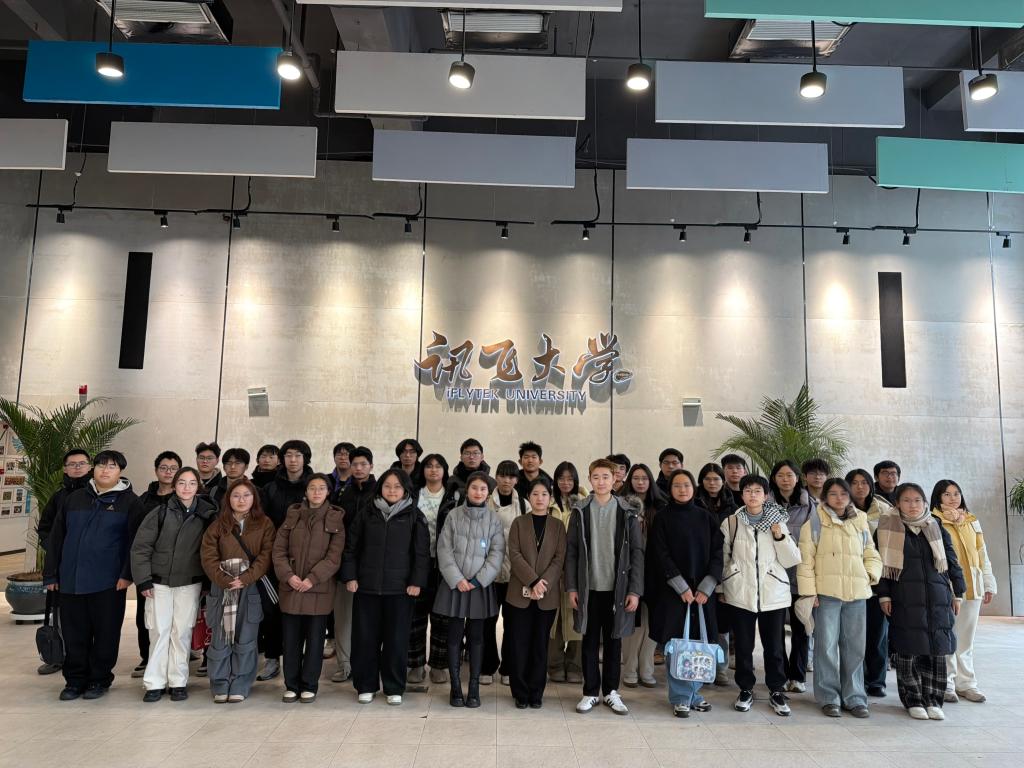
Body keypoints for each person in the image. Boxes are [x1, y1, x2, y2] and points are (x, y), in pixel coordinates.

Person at [43, 450, 144, 701]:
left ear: (120, 471)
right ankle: (74, 680)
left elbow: (135, 543)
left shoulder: (131, 503)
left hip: (109, 582)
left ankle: (99, 679)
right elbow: (56, 538)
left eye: (112, 466)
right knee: (74, 633)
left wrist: (127, 575)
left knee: (106, 633)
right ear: (93, 469)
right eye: (101, 465)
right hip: (70, 581)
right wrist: (51, 575)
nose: (105, 470)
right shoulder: (74, 499)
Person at [876, 483, 965, 721]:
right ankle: (913, 699)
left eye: (917, 500)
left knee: (936, 650)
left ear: (925, 502)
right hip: (904, 597)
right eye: (906, 500)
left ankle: (934, 700)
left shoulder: (935, 526)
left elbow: (952, 561)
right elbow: (881, 566)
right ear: (897, 504)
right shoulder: (887, 527)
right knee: (908, 650)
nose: (912, 505)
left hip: (938, 597)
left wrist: (958, 592)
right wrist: (884, 595)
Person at [343, 468, 429, 705]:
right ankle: (366, 685)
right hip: (366, 588)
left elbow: (421, 553)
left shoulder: (415, 516)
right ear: (380, 487)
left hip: (400, 590)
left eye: (397, 486)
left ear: (405, 489)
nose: (392, 490)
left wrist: (416, 581)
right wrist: (350, 576)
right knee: (365, 639)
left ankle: (394, 687)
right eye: (387, 486)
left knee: (396, 640)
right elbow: (351, 548)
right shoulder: (366, 513)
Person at [797, 478, 882, 718]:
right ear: (824, 497)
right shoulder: (814, 522)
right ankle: (828, 697)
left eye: (843, 493)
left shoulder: (860, 519)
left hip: (857, 594)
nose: (839, 498)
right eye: (833, 494)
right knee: (826, 647)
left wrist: (869, 575)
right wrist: (809, 592)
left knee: (855, 647)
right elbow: (806, 561)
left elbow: (871, 552)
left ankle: (855, 697)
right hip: (827, 595)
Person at [131, 467, 217, 702]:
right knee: (159, 631)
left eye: (192, 483)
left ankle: (178, 681)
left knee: (182, 632)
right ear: (174, 485)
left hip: (190, 583)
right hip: (159, 583)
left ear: (198, 486)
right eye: (182, 483)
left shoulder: (207, 514)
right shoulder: (159, 512)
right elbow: (141, 548)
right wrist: (143, 580)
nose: (186, 488)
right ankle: (154, 683)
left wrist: (208, 581)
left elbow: (211, 550)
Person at [566, 458, 644, 716]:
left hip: (617, 588)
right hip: (588, 588)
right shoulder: (580, 510)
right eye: (596, 477)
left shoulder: (627, 511)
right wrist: (572, 587)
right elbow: (572, 551)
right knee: (589, 641)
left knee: (614, 641)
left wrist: (634, 590)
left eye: (606, 477)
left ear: (615, 479)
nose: (601, 482)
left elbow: (636, 552)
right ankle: (590, 692)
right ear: (590, 479)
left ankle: (611, 691)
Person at [721, 474, 801, 717]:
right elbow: (724, 557)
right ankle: (745, 689)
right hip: (740, 592)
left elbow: (791, 559)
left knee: (774, 646)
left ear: (766, 496)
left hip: (772, 593)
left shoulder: (778, 521)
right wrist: (723, 587)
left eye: (757, 491)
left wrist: (779, 536)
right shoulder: (731, 522)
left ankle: (776, 689)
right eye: (748, 490)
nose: (752, 495)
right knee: (744, 646)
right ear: (742, 494)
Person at [648, 469, 723, 717]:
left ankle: (694, 693)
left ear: (694, 487)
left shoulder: (706, 517)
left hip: (703, 594)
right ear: (670, 490)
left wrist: (706, 586)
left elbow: (718, 552)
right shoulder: (663, 518)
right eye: (677, 485)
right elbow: (660, 554)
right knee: (677, 645)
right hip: (674, 592)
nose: (682, 490)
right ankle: (681, 696)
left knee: (699, 644)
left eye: (687, 485)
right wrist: (681, 586)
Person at [434, 471, 505, 708]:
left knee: (477, 637)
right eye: (474, 488)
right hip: (455, 585)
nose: (478, 492)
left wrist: (478, 580)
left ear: (488, 493)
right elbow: (443, 549)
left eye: (483, 489)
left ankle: (474, 687)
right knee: (453, 637)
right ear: (467, 490)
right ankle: (455, 687)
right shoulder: (453, 515)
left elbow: (497, 554)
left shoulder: (493, 519)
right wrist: (457, 579)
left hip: (479, 587)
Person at [200, 478, 275, 702]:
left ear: (254, 499)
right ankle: (220, 682)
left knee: (246, 636)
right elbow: (208, 556)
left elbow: (266, 555)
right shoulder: (218, 525)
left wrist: (245, 578)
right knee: (220, 636)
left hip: (250, 586)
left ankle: (241, 682)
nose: (241, 500)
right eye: (236, 495)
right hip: (221, 587)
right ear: (228, 499)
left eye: (246, 495)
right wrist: (224, 579)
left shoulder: (264, 524)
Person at [273, 473, 345, 703]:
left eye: (321, 488)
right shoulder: (293, 514)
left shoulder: (335, 518)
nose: (316, 492)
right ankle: (291, 685)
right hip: (292, 587)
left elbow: (334, 557)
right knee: (291, 640)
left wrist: (312, 579)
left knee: (315, 642)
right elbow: (278, 551)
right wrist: (289, 576)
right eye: (312, 487)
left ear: (328, 492)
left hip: (318, 588)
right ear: (305, 491)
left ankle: (309, 685)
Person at [931, 480, 996, 704]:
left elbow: (982, 554)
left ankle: (966, 684)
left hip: (973, 587)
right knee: (947, 636)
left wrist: (988, 583)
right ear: (938, 497)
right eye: (947, 494)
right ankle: (946, 683)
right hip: (947, 588)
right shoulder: (934, 521)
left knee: (966, 640)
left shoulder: (971, 520)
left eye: (956, 493)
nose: (953, 498)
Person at [504, 477, 567, 708]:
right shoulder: (519, 523)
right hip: (518, 593)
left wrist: (542, 584)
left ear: (550, 498)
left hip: (546, 596)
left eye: (544, 494)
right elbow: (514, 554)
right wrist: (533, 581)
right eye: (535, 494)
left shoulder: (558, 526)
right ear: (528, 497)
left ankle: (536, 692)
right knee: (519, 644)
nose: (539, 498)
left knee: (540, 645)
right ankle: (520, 692)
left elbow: (559, 559)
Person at [258, 439, 314, 682]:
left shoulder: (315, 486)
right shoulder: (270, 488)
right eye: (289, 455)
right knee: (273, 611)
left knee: (304, 613)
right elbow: (263, 523)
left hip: (306, 560)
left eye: (298, 455)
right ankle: (272, 659)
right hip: (275, 559)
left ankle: (302, 662)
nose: (293, 460)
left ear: (305, 459)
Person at [35, 448, 92, 675]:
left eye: (81, 463)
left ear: (90, 466)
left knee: (90, 614)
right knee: (61, 613)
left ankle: (87, 656)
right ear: (65, 469)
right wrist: (56, 550)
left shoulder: (97, 494)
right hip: (61, 566)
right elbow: (45, 528)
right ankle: (59, 656)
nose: (77, 468)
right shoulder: (58, 497)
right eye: (72, 464)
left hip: (90, 567)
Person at [768, 459, 816, 693]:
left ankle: (797, 676)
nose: (785, 479)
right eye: (780, 475)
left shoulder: (809, 505)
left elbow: (815, 539)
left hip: (800, 575)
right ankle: (780, 674)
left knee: (800, 628)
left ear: (798, 478)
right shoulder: (766, 504)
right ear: (774, 479)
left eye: (790, 475)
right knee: (775, 630)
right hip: (774, 576)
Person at [846, 468, 893, 698]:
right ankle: (855, 679)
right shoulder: (839, 509)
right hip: (850, 579)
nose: (860, 487)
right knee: (853, 636)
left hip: (877, 580)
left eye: (864, 482)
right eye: (854, 483)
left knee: (877, 634)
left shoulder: (884, 510)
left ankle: (876, 680)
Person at [331, 445, 376, 683]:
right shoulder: (342, 493)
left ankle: (368, 663)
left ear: (371, 466)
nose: (358, 468)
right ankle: (344, 664)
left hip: (372, 565)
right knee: (343, 618)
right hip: (345, 563)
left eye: (363, 464)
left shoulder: (380, 492)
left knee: (370, 619)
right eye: (354, 464)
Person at [482, 460, 527, 686]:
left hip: (515, 576)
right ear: (496, 478)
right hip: (489, 574)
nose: (506, 480)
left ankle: (509, 668)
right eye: (502, 475)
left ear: (516, 480)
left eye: (511, 476)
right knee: (486, 622)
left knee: (513, 624)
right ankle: (487, 666)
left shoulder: (525, 505)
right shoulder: (485, 502)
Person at [620, 463, 664, 689]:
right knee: (634, 622)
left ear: (650, 481)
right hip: (630, 570)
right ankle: (629, 668)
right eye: (635, 478)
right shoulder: (621, 505)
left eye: (644, 478)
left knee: (652, 623)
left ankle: (646, 669)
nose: (640, 482)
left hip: (655, 572)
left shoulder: (661, 506)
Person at [408, 454, 450, 687]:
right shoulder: (413, 494)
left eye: (438, 466)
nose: (433, 470)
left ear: (444, 470)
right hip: (417, 563)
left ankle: (438, 665)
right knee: (415, 616)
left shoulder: (453, 496)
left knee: (442, 616)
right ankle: (415, 664)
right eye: (429, 466)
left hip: (444, 564)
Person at [695, 462, 738, 685]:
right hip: (700, 568)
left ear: (723, 481)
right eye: (708, 479)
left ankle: (720, 668)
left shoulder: (733, 507)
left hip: (726, 568)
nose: (712, 483)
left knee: (722, 624)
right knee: (701, 621)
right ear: (701, 481)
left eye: (716, 479)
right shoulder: (694, 503)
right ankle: (701, 667)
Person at [548, 461, 584, 683]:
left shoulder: (584, 503)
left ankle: (575, 665)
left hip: (577, 568)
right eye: (561, 478)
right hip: (552, 568)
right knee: (554, 618)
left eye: (570, 478)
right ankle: (554, 665)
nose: (565, 482)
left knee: (576, 616)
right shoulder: (548, 501)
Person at [441, 438, 491, 513]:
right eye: (467, 453)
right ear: (461, 457)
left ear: (482, 457)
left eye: (475, 453)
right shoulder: (451, 481)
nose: (471, 457)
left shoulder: (491, 482)